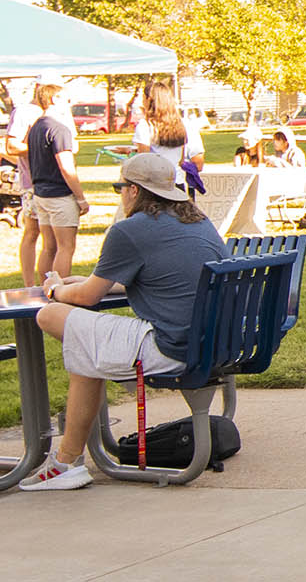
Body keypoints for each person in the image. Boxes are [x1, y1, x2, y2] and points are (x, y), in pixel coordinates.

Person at [15, 153, 227, 491]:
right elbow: (158, 275)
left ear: (133, 191)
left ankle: (68, 463)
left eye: (119, 187)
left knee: (51, 315)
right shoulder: (198, 220)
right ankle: (68, 461)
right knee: (87, 341)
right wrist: (89, 281)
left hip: (171, 345)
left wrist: (56, 288)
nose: (120, 194)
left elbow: (86, 299)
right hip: (215, 342)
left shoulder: (130, 230)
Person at [26, 81, 86, 281]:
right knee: (65, 247)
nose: (68, 105)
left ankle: (44, 290)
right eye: (66, 100)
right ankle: (59, 293)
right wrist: (81, 198)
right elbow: (66, 166)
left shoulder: (36, 126)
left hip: (41, 193)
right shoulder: (59, 129)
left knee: (48, 247)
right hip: (59, 194)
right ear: (54, 99)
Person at [7, 77, 50, 287]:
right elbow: (11, 146)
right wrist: (41, 146)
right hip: (33, 182)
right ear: (40, 89)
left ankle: (51, 285)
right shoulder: (24, 112)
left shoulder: (58, 111)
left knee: (54, 237)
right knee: (33, 231)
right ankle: (29, 285)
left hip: (57, 183)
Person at [132, 78, 206, 171]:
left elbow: (144, 160)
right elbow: (181, 160)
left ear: (149, 100)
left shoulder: (145, 125)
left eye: (143, 98)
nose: (142, 103)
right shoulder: (180, 124)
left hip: (156, 180)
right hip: (177, 179)